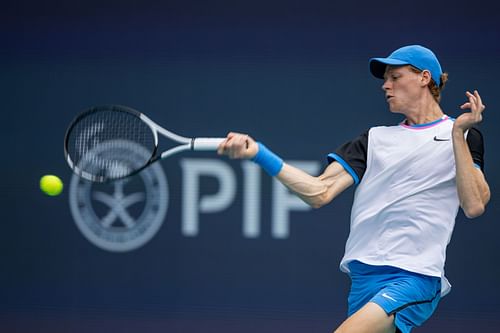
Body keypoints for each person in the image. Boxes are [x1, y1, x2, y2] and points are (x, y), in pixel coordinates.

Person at [217, 45, 490, 333]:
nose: (386, 85)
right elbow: (319, 192)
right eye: (385, 79)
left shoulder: (463, 135)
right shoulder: (374, 139)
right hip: (362, 281)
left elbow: (474, 205)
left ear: (424, 78)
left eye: (395, 77)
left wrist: (458, 134)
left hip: (413, 277)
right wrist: (259, 153)